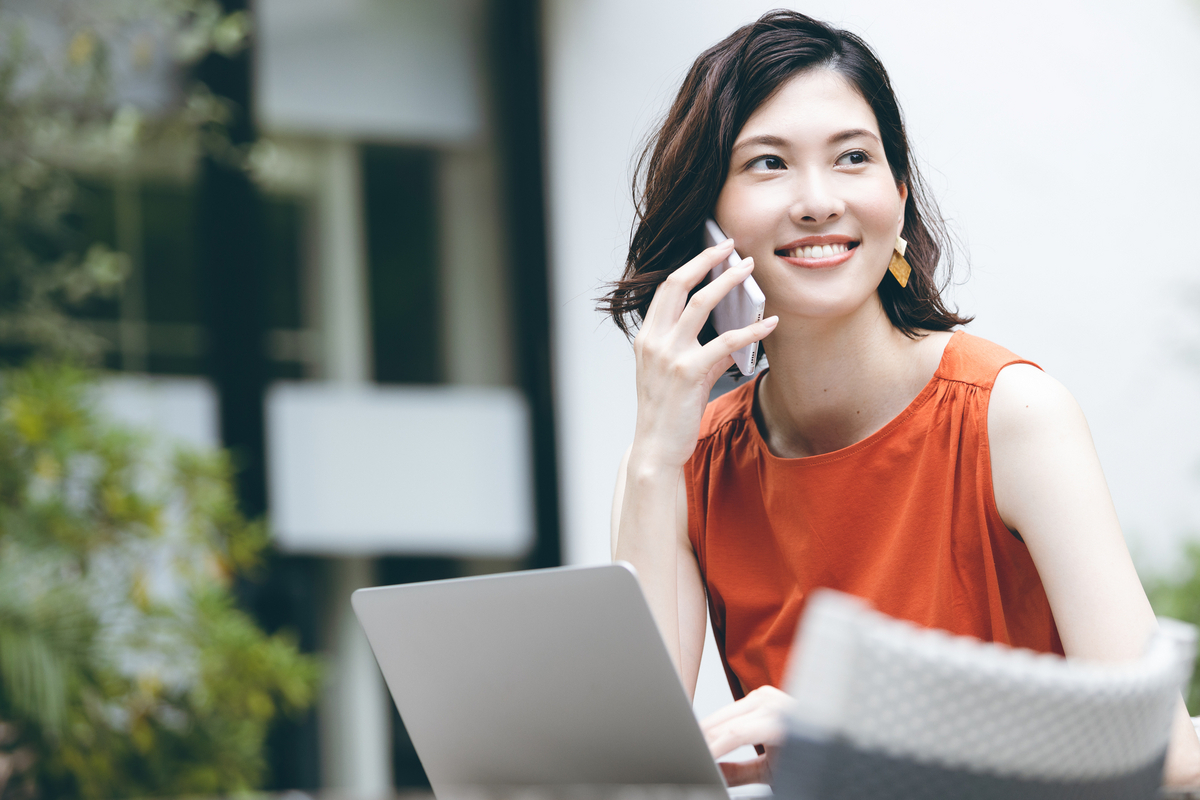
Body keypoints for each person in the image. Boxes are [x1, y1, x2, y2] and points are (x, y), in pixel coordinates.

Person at [599, 9, 1200, 790]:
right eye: (767, 164)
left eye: (853, 157)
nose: (817, 201)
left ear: (900, 195)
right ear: (706, 219)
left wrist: (860, 739)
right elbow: (627, 762)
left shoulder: (1010, 415)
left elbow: (1167, 753)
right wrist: (652, 454)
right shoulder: (680, 463)